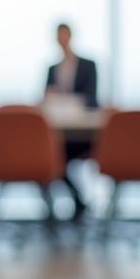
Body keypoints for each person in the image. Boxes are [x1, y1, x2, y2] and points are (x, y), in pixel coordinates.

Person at [45, 22, 98, 220]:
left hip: (82, 134)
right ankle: (78, 201)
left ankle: (79, 202)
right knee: (50, 156)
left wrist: (69, 100)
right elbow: (46, 98)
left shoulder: (88, 65)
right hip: (57, 133)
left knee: (56, 159)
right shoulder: (52, 69)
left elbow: (92, 99)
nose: (61, 39)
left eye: (64, 35)